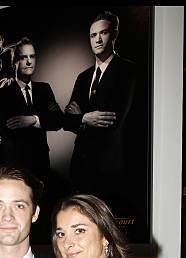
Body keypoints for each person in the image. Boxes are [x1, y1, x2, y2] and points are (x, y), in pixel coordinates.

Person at [63, 12, 136, 214]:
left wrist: (80, 117)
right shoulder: (83, 77)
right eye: (93, 35)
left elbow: (112, 119)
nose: (98, 39)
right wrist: (86, 117)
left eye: (103, 33)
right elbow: (67, 120)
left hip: (111, 169)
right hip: (80, 169)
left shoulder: (128, 71)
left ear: (114, 35)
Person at [0, 37, 63, 184]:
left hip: (41, 167)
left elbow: (58, 120)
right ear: (15, 62)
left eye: (32, 56)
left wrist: (32, 119)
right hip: (16, 169)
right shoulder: (3, 94)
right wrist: (44, 118)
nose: (29, 61)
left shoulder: (44, 89)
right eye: (23, 57)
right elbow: (7, 128)